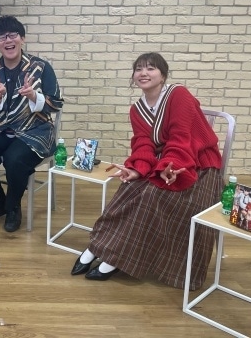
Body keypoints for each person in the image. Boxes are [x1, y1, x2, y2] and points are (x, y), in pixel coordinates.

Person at [70, 52, 223, 290]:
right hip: (166, 165)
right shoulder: (137, 109)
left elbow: (180, 138)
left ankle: (115, 257)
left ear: (163, 75)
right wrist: (137, 169)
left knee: (152, 194)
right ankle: (98, 247)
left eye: (151, 68)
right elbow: (143, 145)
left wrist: (169, 167)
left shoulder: (178, 94)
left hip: (198, 166)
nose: (144, 73)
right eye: (139, 69)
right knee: (128, 188)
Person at [0, 16, 63, 232]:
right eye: (2, 37)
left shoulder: (40, 67)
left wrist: (34, 96)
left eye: (13, 35)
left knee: (14, 158)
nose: (8, 40)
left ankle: (12, 208)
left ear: (22, 38)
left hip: (36, 130)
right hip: (2, 128)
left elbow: (56, 103)